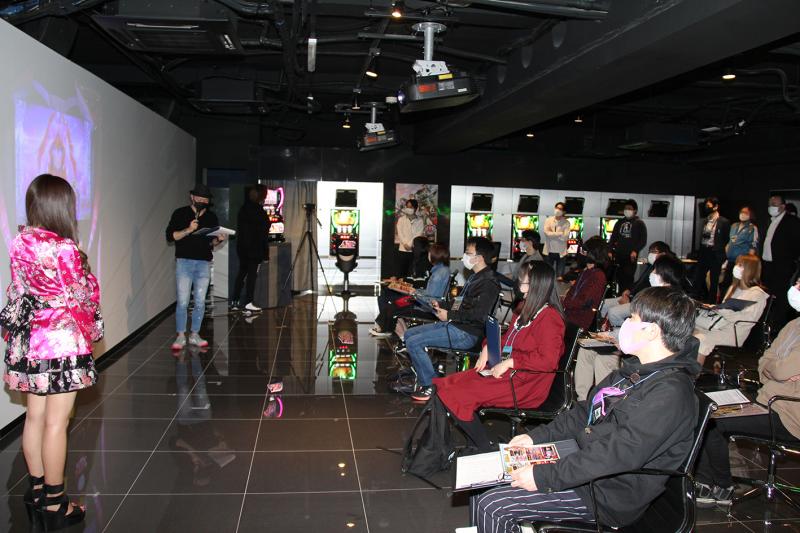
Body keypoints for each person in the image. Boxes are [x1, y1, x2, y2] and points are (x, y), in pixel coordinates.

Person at [471, 287, 701, 532]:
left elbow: (616, 454)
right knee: (481, 483)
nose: (625, 324)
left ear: (652, 331)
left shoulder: (670, 394)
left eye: (632, 318)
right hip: (585, 463)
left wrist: (543, 476)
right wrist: (535, 437)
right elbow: (585, 412)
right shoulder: (636, 371)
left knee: (491, 504)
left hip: (606, 493)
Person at [1, 174, 103, 530]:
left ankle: (37, 490)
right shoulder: (64, 249)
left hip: (29, 341)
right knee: (58, 423)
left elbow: (18, 290)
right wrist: (93, 327)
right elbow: (80, 298)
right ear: (63, 206)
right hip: (60, 342)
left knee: (35, 417)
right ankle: (57, 503)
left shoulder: (20, 242)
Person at [434, 261, 565, 451]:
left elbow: (548, 361)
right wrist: (487, 347)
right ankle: (476, 445)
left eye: (523, 281)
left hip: (526, 383)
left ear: (536, 285)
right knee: (448, 384)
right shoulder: (526, 308)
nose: (519, 284)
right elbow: (507, 338)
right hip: (510, 372)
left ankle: (484, 448)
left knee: (459, 394)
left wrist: (511, 362)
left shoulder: (550, 317)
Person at [694, 278, 800, 507]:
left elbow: (779, 369)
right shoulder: (794, 325)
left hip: (789, 413)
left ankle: (721, 486)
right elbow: (765, 363)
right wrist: (776, 370)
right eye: (797, 283)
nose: (796, 289)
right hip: (769, 400)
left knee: (712, 422)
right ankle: (708, 483)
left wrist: (776, 369)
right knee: (704, 408)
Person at [574, 253, 687, 400]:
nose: (652, 273)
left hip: (641, 348)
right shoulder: (652, 295)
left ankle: (604, 403)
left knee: (603, 358)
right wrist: (613, 336)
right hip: (631, 340)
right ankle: (582, 400)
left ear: (666, 274)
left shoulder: (670, 304)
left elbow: (650, 336)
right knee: (586, 350)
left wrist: (619, 340)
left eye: (655, 270)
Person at [404, 237, 501, 402]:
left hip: (467, 333)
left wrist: (449, 315)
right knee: (409, 334)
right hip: (457, 325)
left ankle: (430, 385)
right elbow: (460, 302)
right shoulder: (475, 277)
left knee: (413, 342)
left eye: (468, 253)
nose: (464, 256)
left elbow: (479, 316)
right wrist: (442, 304)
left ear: (479, 258)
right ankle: (428, 372)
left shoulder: (488, 283)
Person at [165, 184, 227, 351]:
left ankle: (195, 334)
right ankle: (180, 335)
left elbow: (211, 244)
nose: (201, 201)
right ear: (192, 197)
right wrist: (189, 229)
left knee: (200, 301)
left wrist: (219, 240)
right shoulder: (180, 213)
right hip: (184, 262)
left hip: (204, 263)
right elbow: (171, 236)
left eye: (204, 199)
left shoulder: (211, 217)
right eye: (198, 197)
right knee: (183, 301)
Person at [694, 254, 769, 365]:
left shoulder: (757, 294)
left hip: (734, 332)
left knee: (701, 339)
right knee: (687, 331)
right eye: (737, 264)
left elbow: (747, 319)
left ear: (749, 270)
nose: (736, 267)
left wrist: (720, 310)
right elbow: (725, 309)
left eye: (740, 265)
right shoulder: (733, 288)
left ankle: (693, 374)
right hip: (720, 326)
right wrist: (711, 308)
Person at [371, 243, 450, 337]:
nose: (428, 255)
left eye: (430, 253)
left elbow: (430, 299)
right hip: (425, 303)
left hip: (426, 308)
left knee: (392, 307)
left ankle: (390, 331)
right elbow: (430, 293)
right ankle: (404, 336)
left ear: (435, 255)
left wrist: (414, 292)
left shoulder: (438, 275)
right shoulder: (442, 270)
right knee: (393, 305)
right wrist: (415, 291)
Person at [601, 241, 672, 328]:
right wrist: (628, 290)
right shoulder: (651, 266)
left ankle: (623, 332)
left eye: (654, 252)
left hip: (642, 302)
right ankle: (602, 327)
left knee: (613, 312)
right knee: (604, 304)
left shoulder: (664, 271)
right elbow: (639, 283)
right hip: (633, 297)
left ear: (663, 253)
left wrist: (631, 299)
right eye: (650, 251)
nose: (651, 254)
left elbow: (648, 292)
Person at [762, 194, 800, 330]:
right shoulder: (770, 221)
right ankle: (768, 323)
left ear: (783, 206)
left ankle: (779, 327)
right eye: (769, 204)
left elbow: (796, 244)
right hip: (768, 266)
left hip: (783, 267)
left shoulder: (791, 221)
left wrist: (789, 261)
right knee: (768, 295)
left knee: (782, 298)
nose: (771, 207)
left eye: (774, 204)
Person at [231, 185, 270, 313]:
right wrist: (266, 254)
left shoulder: (243, 209)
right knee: (252, 276)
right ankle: (248, 302)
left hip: (242, 248)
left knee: (241, 274)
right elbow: (263, 234)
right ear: (262, 195)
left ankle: (235, 301)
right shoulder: (260, 212)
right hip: (255, 249)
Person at [562, 236, 609, 331]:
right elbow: (573, 292)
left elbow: (583, 302)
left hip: (581, 318)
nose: (581, 254)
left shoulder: (598, 276)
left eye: (584, 252)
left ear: (592, 255)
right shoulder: (586, 271)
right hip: (571, 312)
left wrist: (565, 303)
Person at [692, 197, 731, 304]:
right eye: (706, 206)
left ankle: (711, 302)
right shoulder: (706, 220)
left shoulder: (724, 222)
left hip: (715, 253)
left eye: (709, 206)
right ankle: (695, 299)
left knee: (714, 280)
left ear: (716, 206)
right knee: (699, 276)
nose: (706, 208)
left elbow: (726, 239)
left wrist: (721, 252)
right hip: (704, 251)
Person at [609, 199, 648, 292]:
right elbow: (613, 237)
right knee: (618, 277)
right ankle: (619, 296)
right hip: (618, 255)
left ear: (635, 210)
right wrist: (609, 250)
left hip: (630, 256)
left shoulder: (639, 223)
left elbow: (643, 240)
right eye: (626, 208)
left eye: (629, 208)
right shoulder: (619, 222)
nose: (627, 210)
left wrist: (635, 250)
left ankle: (627, 296)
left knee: (628, 278)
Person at [720, 205, 759, 297]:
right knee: (725, 283)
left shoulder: (752, 228)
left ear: (750, 215)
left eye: (745, 212)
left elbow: (753, 246)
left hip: (741, 262)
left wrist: (748, 263)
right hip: (730, 261)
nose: (742, 214)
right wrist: (724, 258)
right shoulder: (734, 226)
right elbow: (729, 242)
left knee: (738, 284)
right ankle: (723, 301)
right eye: (741, 212)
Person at [395, 199, 425, 278]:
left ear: (415, 208)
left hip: (414, 250)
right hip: (402, 249)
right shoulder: (401, 219)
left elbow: (417, 234)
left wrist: (409, 244)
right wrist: (405, 244)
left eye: (411, 207)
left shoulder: (420, 221)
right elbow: (400, 233)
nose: (408, 209)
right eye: (407, 207)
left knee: (412, 272)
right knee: (401, 273)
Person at [543, 202, 571, 277]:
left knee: (560, 276)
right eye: (556, 208)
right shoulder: (548, 220)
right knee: (547, 276)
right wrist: (560, 233)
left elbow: (565, 237)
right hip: (548, 251)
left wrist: (552, 234)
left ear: (564, 212)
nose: (557, 210)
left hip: (561, 253)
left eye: (560, 209)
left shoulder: (566, 222)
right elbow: (547, 233)